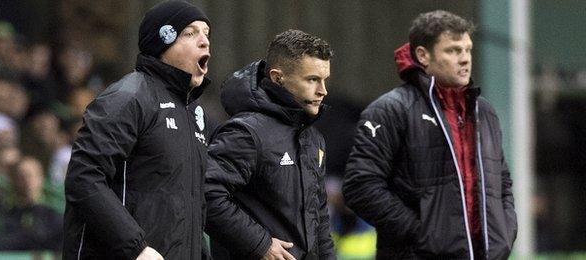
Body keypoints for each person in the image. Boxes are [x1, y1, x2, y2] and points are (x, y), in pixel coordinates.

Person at [342, 10, 517, 259]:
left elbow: (502, 183)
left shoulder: (483, 111)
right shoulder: (390, 109)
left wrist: (504, 234)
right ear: (423, 55)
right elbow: (360, 187)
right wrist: (424, 234)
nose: (465, 59)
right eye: (453, 51)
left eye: (468, 50)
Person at [63, 1, 212, 259]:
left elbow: (189, 203)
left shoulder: (194, 113)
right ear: (161, 41)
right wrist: (137, 248)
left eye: (206, 34)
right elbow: (84, 178)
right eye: (190, 33)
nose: (204, 41)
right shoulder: (128, 97)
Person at [205, 29, 335, 260]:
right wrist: (260, 244)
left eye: (324, 80)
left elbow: (320, 216)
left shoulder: (313, 138)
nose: (322, 91)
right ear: (277, 78)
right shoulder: (245, 132)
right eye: (312, 79)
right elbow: (207, 194)